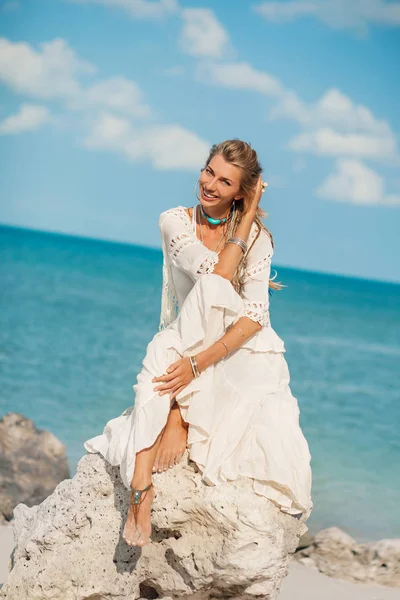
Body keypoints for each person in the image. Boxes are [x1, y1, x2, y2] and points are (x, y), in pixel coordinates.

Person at [84, 139, 313, 548]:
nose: (209, 184)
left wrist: (199, 363)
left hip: (235, 349)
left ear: (241, 193)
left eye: (224, 181)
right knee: (168, 343)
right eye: (208, 171)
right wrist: (190, 362)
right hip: (187, 333)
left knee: (169, 348)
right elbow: (214, 276)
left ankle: (175, 420)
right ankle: (143, 484)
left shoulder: (259, 238)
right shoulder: (174, 220)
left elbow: (256, 316)